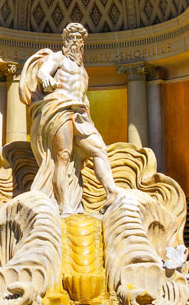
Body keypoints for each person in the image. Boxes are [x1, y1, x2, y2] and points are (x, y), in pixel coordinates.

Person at [20, 22, 120, 215]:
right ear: (65, 41)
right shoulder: (57, 58)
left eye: (78, 39)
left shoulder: (83, 71)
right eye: (71, 39)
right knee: (63, 157)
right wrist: (46, 78)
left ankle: (111, 192)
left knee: (99, 149)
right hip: (60, 110)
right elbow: (42, 71)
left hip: (80, 114)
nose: (74, 43)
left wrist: (88, 115)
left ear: (83, 44)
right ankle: (63, 204)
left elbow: (83, 96)